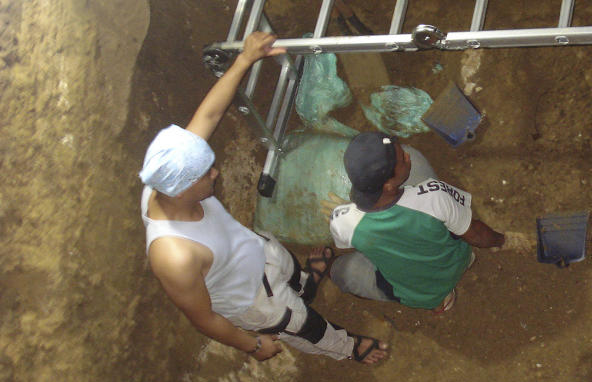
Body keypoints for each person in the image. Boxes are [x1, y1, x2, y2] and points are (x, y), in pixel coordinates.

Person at [139, 32, 388, 364]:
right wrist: (252, 345)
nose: (215, 173)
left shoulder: (171, 169)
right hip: (255, 300)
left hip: (256, 251)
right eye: (206, 173)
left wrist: (245, 58)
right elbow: (203, 319)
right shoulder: (174, 257)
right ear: (181, 188)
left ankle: (306, 285)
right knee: (304, 324)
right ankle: (346, 347)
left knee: (290, 271)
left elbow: (209, 116)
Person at [326, 131, 532, 312]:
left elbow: (360, 241)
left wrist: (350, 211)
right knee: (419, 164)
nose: (406, 157)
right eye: (401, 161)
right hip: (456, 261)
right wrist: (505, 240)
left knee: (339, 271)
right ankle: (457, 271)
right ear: (388, 185)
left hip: (422, 293)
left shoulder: (342, 221)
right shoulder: (434, 197)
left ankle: (437, 301)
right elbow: (477, 234)